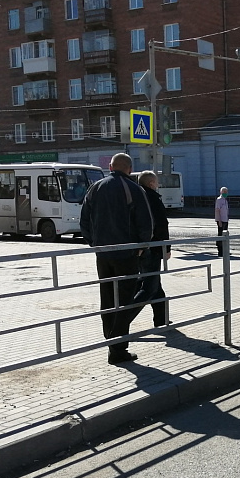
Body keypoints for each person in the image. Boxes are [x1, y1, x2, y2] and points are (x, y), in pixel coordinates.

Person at [80, 153, 154, 365]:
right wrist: (141, 247)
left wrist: (93, 243)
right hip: (126, 254)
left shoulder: (95, 187)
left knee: (107, 297)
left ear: (111, 166)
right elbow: (145, 223)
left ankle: (110, 340)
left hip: (103, 254)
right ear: (129, 169)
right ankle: (117, 347)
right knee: (124, 300)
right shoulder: (134, 189)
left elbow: (84, 218)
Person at [131, 171, 170, 328]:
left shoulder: (135, 196)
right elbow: (162, 224)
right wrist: (166, 248)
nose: (158, 184)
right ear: (151, 183)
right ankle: (121, 320)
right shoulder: (153, 198)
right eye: (157, 182)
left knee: (155, 285)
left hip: (138, 247)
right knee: (149, 287)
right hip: (152, 248)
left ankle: (161, 320)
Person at [215, 186, 229, 256]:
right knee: (220, 235)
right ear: (221, 192)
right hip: (221, 220)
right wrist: (219, 221)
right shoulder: (219, 200)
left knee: (225, 235)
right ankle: (220, 251)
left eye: (226, 192)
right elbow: (217, 211)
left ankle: (224, 250)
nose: (225, 193)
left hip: (225, 220)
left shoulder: (225, 200)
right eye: (224, 192)